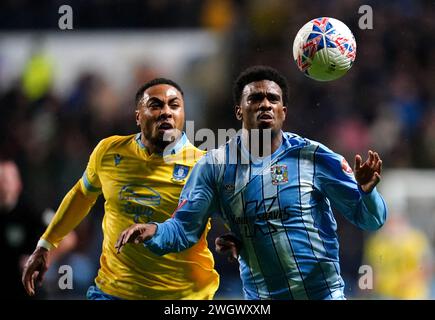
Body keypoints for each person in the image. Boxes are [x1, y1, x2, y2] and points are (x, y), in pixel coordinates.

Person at [116, 66, 388, 300]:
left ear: (283, 111)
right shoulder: (214, 167)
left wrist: (368, 193)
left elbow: (371, 220)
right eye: (255, 98)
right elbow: (183, 230)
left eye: (273, 98)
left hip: (323, 294)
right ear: (239, 110)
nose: (265, 104)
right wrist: (154, 231)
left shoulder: (314, 157)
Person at [22, 78, 219, 300]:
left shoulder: (205, 165)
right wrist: (46, 245)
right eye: (155, 105)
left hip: (181, 296)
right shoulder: (109, 151)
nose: (166, 112)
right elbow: (81, 195)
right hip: (113, 292)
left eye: (174, 105)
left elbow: (237, 214)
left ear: (183, 115)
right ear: (137, 116)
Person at [0, 160, 76, 299]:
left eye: (5, 180)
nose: (2, 185)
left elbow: (69, 237)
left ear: (18, 184)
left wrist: (40, 261)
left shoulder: (33, 209)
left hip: (29, 290)